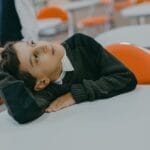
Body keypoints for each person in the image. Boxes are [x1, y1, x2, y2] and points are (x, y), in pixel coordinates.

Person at [0, 33, 137, 123]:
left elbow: (125, 78)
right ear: (42, 82)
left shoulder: (81, 44)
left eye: (33, 43)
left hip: (125, 117)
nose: (43, 46)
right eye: (35, 57)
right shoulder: (46, 90)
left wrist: (76, 94)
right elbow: (25, 111)